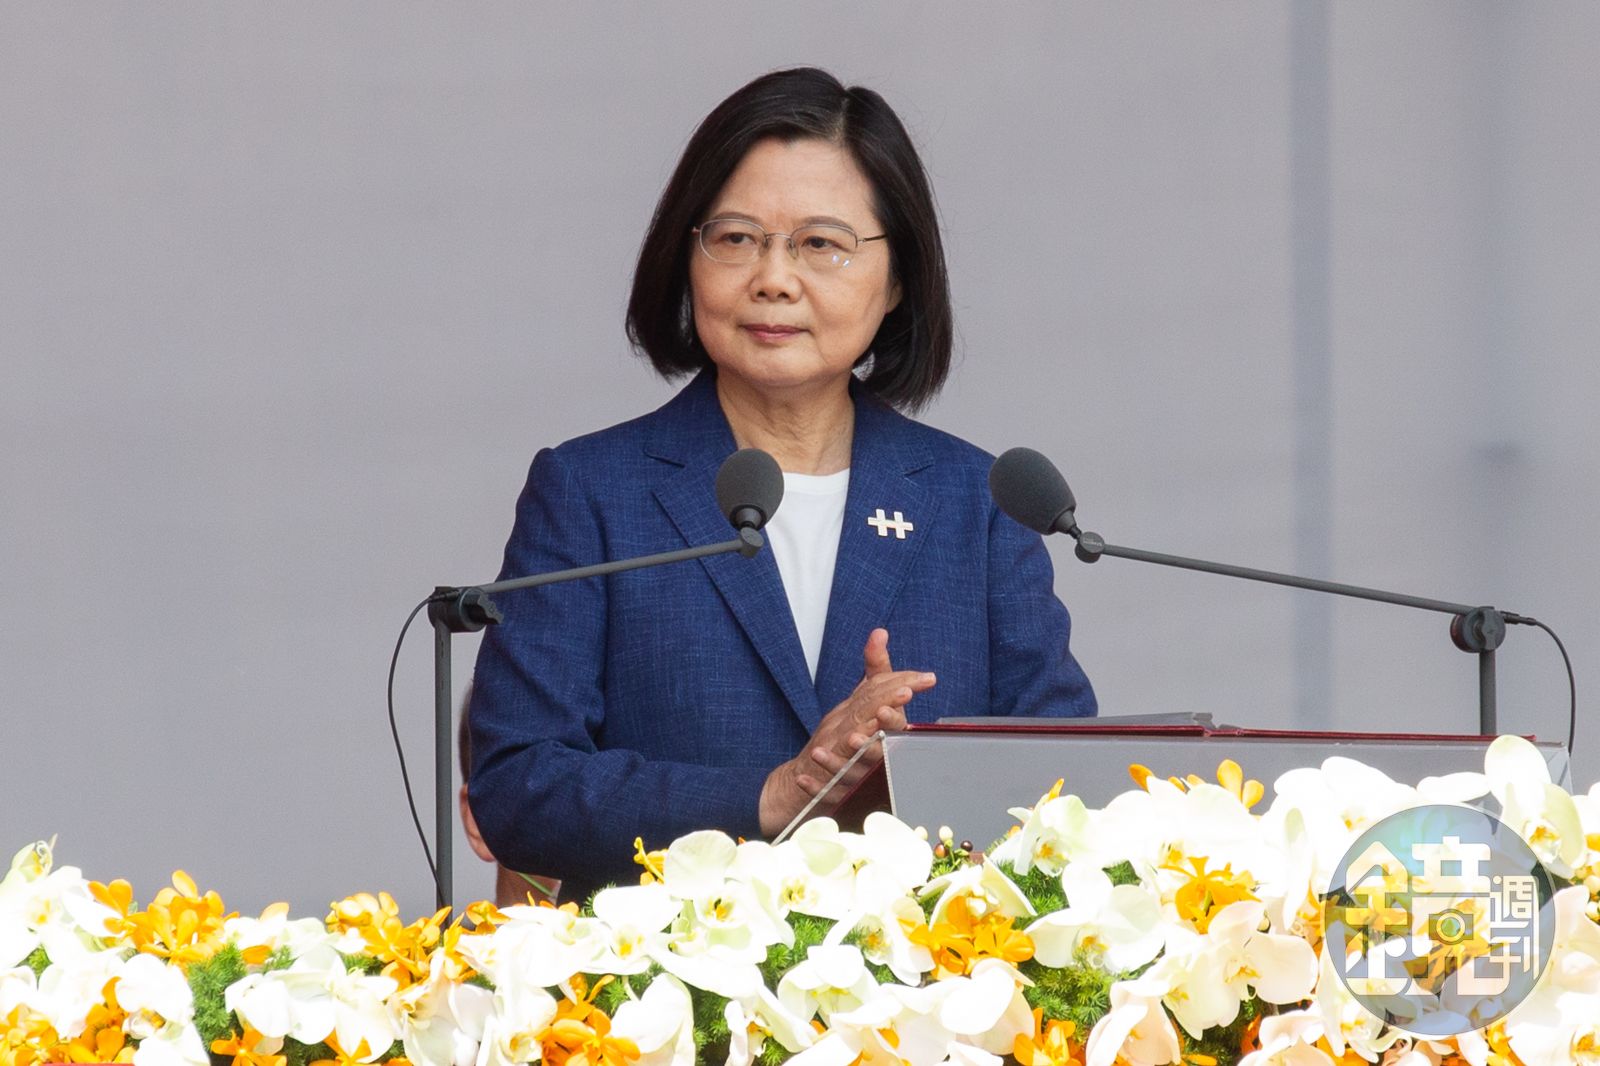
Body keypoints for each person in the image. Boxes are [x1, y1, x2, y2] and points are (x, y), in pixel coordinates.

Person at [468, 67, 1095, 903]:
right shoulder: (591, 493)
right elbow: (520, 786)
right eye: (735, 239)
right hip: (665, 976)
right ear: (686, 257)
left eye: (821, 244)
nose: (773, 278)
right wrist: (773, 795)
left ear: (897, 279)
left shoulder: (976, 504)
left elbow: (1066, 793)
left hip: (928, 977)